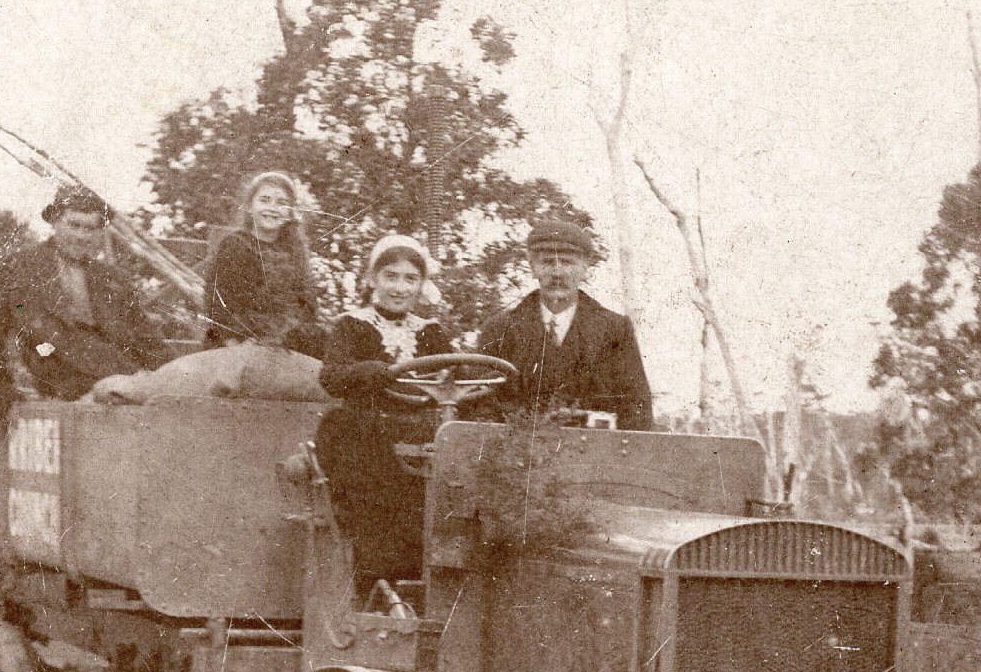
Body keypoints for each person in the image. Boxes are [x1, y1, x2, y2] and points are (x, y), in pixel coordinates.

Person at [315, 234, 454, 585]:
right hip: (366, 430)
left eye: (411, 279)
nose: (400, 287)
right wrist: (371, 371)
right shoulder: (353, 325)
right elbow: (331, 376)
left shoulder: (430, 332)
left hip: (419, 429)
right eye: (391, 276)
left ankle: (433, 579)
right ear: (373, 279)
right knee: (372, 483)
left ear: (422, 285)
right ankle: (375, 580)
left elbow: (456, 371)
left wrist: (462, 378)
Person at [0, 185, 171, 420]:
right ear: (55, 222)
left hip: (120, 380)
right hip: (59, 377)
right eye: (74, 225)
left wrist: (178, 375)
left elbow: (148, 342)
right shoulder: (20, 268)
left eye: (91, 228)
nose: (81, 236)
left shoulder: (112, 278)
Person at [477, 217, 653, 432]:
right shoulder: (500, 328)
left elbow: (637, 411)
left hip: (595, 457)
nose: (557, 273)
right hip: (519, 456)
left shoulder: (615, 330)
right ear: (533, 267)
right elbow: (481, 409)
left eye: (567, 263)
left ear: (585, 268)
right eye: (548, 262)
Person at [200, 169, 326, 357]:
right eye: (264, 200)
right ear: (250, 207)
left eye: (281, 203)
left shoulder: (295, 249)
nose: (272, 208)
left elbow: (307, 302)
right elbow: (218, 303)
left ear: (290, 212)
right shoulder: (234, 244)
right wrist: (234, 343)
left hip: (288, 341)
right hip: (239, 341)